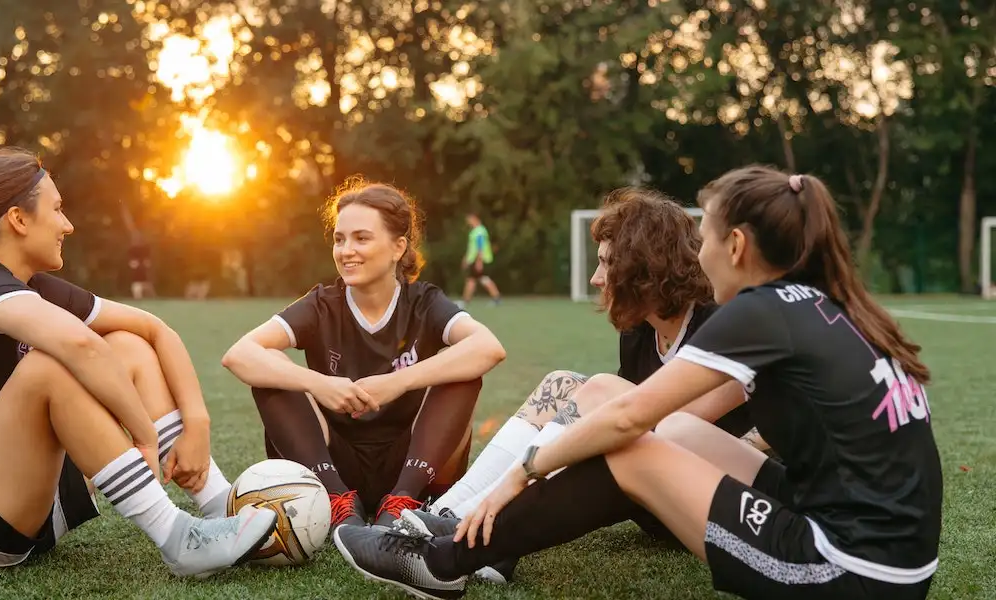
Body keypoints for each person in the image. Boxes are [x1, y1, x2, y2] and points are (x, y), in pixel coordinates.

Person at [334, 166, 943, 600]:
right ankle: (463, 529)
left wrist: (522, 472)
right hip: (888, 553)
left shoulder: (760, 313)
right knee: (659, 431)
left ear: (734, 244)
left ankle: (444, 560)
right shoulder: (822, 303)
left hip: (850, 571)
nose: (697, 253)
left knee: (632, 449)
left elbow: (628, 421)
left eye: (703, 235)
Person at [0, 148, 277, 576]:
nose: (68, 225)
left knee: (126, 342)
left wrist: (197, 423)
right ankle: (177, 538)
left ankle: (220, 503)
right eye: (57, 209)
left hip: (26, 501)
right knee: (51, 365)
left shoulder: (30, 286)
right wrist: (145, 439)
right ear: (18, 219)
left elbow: (155, 330)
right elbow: (80, 347)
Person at [393, 187, 759, 585]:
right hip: (648, 488)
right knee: (561, 383)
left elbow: (669, 425)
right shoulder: (640, 330)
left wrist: (535, 466)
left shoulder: (721, 324)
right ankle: (450, 512)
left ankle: (477, 521)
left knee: (602, 391)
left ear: (643, 268)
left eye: (606, 264)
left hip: (703, 500)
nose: (595, 278)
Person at [222, 178, 507, 530]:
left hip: (413, 463)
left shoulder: (424, 302)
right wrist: (321, 384)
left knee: (464, 371)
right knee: (271, 369)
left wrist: (398, 382)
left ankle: (403, 502)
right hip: (334, 463)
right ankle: (338, 500)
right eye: (339, 239)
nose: (346, 250)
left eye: (362, 238)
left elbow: (489, 347)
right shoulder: (322, 305)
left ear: (398, 247)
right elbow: (239, 354)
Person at [458, 213, 500, 307]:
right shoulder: (475, 231)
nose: (468, 222)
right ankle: (496, 298)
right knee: (476, 279)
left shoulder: (480, 231)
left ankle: (466, 301)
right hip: (475, 259)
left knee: (476, 279)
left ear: (475, 219)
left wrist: (479, 261)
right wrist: (466, 258)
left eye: (470, 220)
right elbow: (472, 247)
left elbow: (480, 246)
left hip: (479, 259)